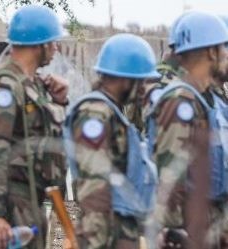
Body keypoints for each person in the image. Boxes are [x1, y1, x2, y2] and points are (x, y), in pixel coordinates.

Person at [0, 5, 68, 249]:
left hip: (30, 201)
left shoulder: (32, 85)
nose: (56, 48)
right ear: (39, 44)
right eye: (53, 42)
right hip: (10, 207)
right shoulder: (4, 87)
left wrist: (61, 101)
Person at [64, 34, 160, 249]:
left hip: (121, 232)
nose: (144, 89)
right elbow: (94, 188)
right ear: (126, 79)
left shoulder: (111, 113)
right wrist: (94, 242)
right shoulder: (95, 115)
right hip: (106, 237)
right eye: (141, 81)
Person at [146, 12, 228, 248]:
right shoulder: (180, 101)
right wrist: (173, 232)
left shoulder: (209, 100)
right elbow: (170, 175)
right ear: (213, 52)